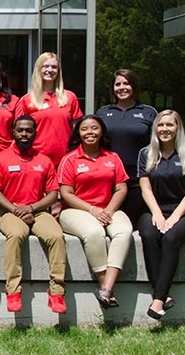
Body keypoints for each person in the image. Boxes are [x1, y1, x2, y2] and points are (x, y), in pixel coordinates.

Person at [0, 116, 67, 314]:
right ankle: (13, 291)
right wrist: (16, 210)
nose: (24, 134)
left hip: (38, 211)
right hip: (10, 211)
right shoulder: (0, 158)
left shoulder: (44, 160)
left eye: (29, 130)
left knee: (56, 236)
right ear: (13, 132)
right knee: (16, 235)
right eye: (20, 130)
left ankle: (56, 291)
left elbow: (52, 194)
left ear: (35, 133)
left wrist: (31, 208)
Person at [58, 114, 131, 309]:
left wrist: (107, 210)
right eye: (84, 129)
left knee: (124, 232)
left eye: (94, 128)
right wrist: (92, 210)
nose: (90, 132)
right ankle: (103, 284)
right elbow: (66, 193)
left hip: (109, 208)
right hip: (75, 211)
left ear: (101, 132)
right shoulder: (70, 159)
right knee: (94, 233)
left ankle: (106, 288)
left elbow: (121, 188)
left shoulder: (113, 158)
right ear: (78, 133)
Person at [137, 110, 185, 320]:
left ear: (178, 128)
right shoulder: (146, 154)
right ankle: (164, 297)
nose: (164, 129)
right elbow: (145, 189)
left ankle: (158, 300)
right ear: (155, 128)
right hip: (155, 209)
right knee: (148, 235)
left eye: (170, 125)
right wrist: (157, 213)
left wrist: (174, 217)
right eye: (160, 125)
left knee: (171, 238)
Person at [96, 69, 157, 225]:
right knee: (107, 221)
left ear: (134, 86)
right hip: (108, 178)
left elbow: (156, 146)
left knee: (132, 224)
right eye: (118, 84)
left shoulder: (149, 112)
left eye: (126, 83)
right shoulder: (103, 112)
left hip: (137, 178)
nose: (122, 87)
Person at [16, 52, 83, 168]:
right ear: (38, 69)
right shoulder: (26, 100)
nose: (50, 70)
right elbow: (19, 132)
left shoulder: (70, 97)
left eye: (54, 67)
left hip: (65, 159)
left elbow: (77, 130)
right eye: (45, 66)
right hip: (36, 159)